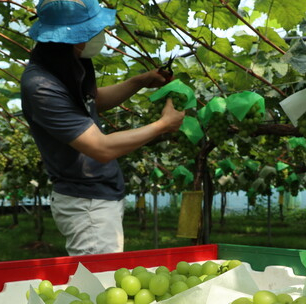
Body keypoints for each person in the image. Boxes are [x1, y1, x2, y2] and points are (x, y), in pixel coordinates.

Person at [21, 0, 184, 256]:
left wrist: (139, 81)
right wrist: (163, 125)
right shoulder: (42, 86)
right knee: (100, 286)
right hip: (87, 205)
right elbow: (101, 148)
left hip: (99, 196)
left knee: (102, 282)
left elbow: (93, 102)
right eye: (93, 28)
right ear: (74, 37)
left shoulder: (69, 60)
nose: (101, 33)